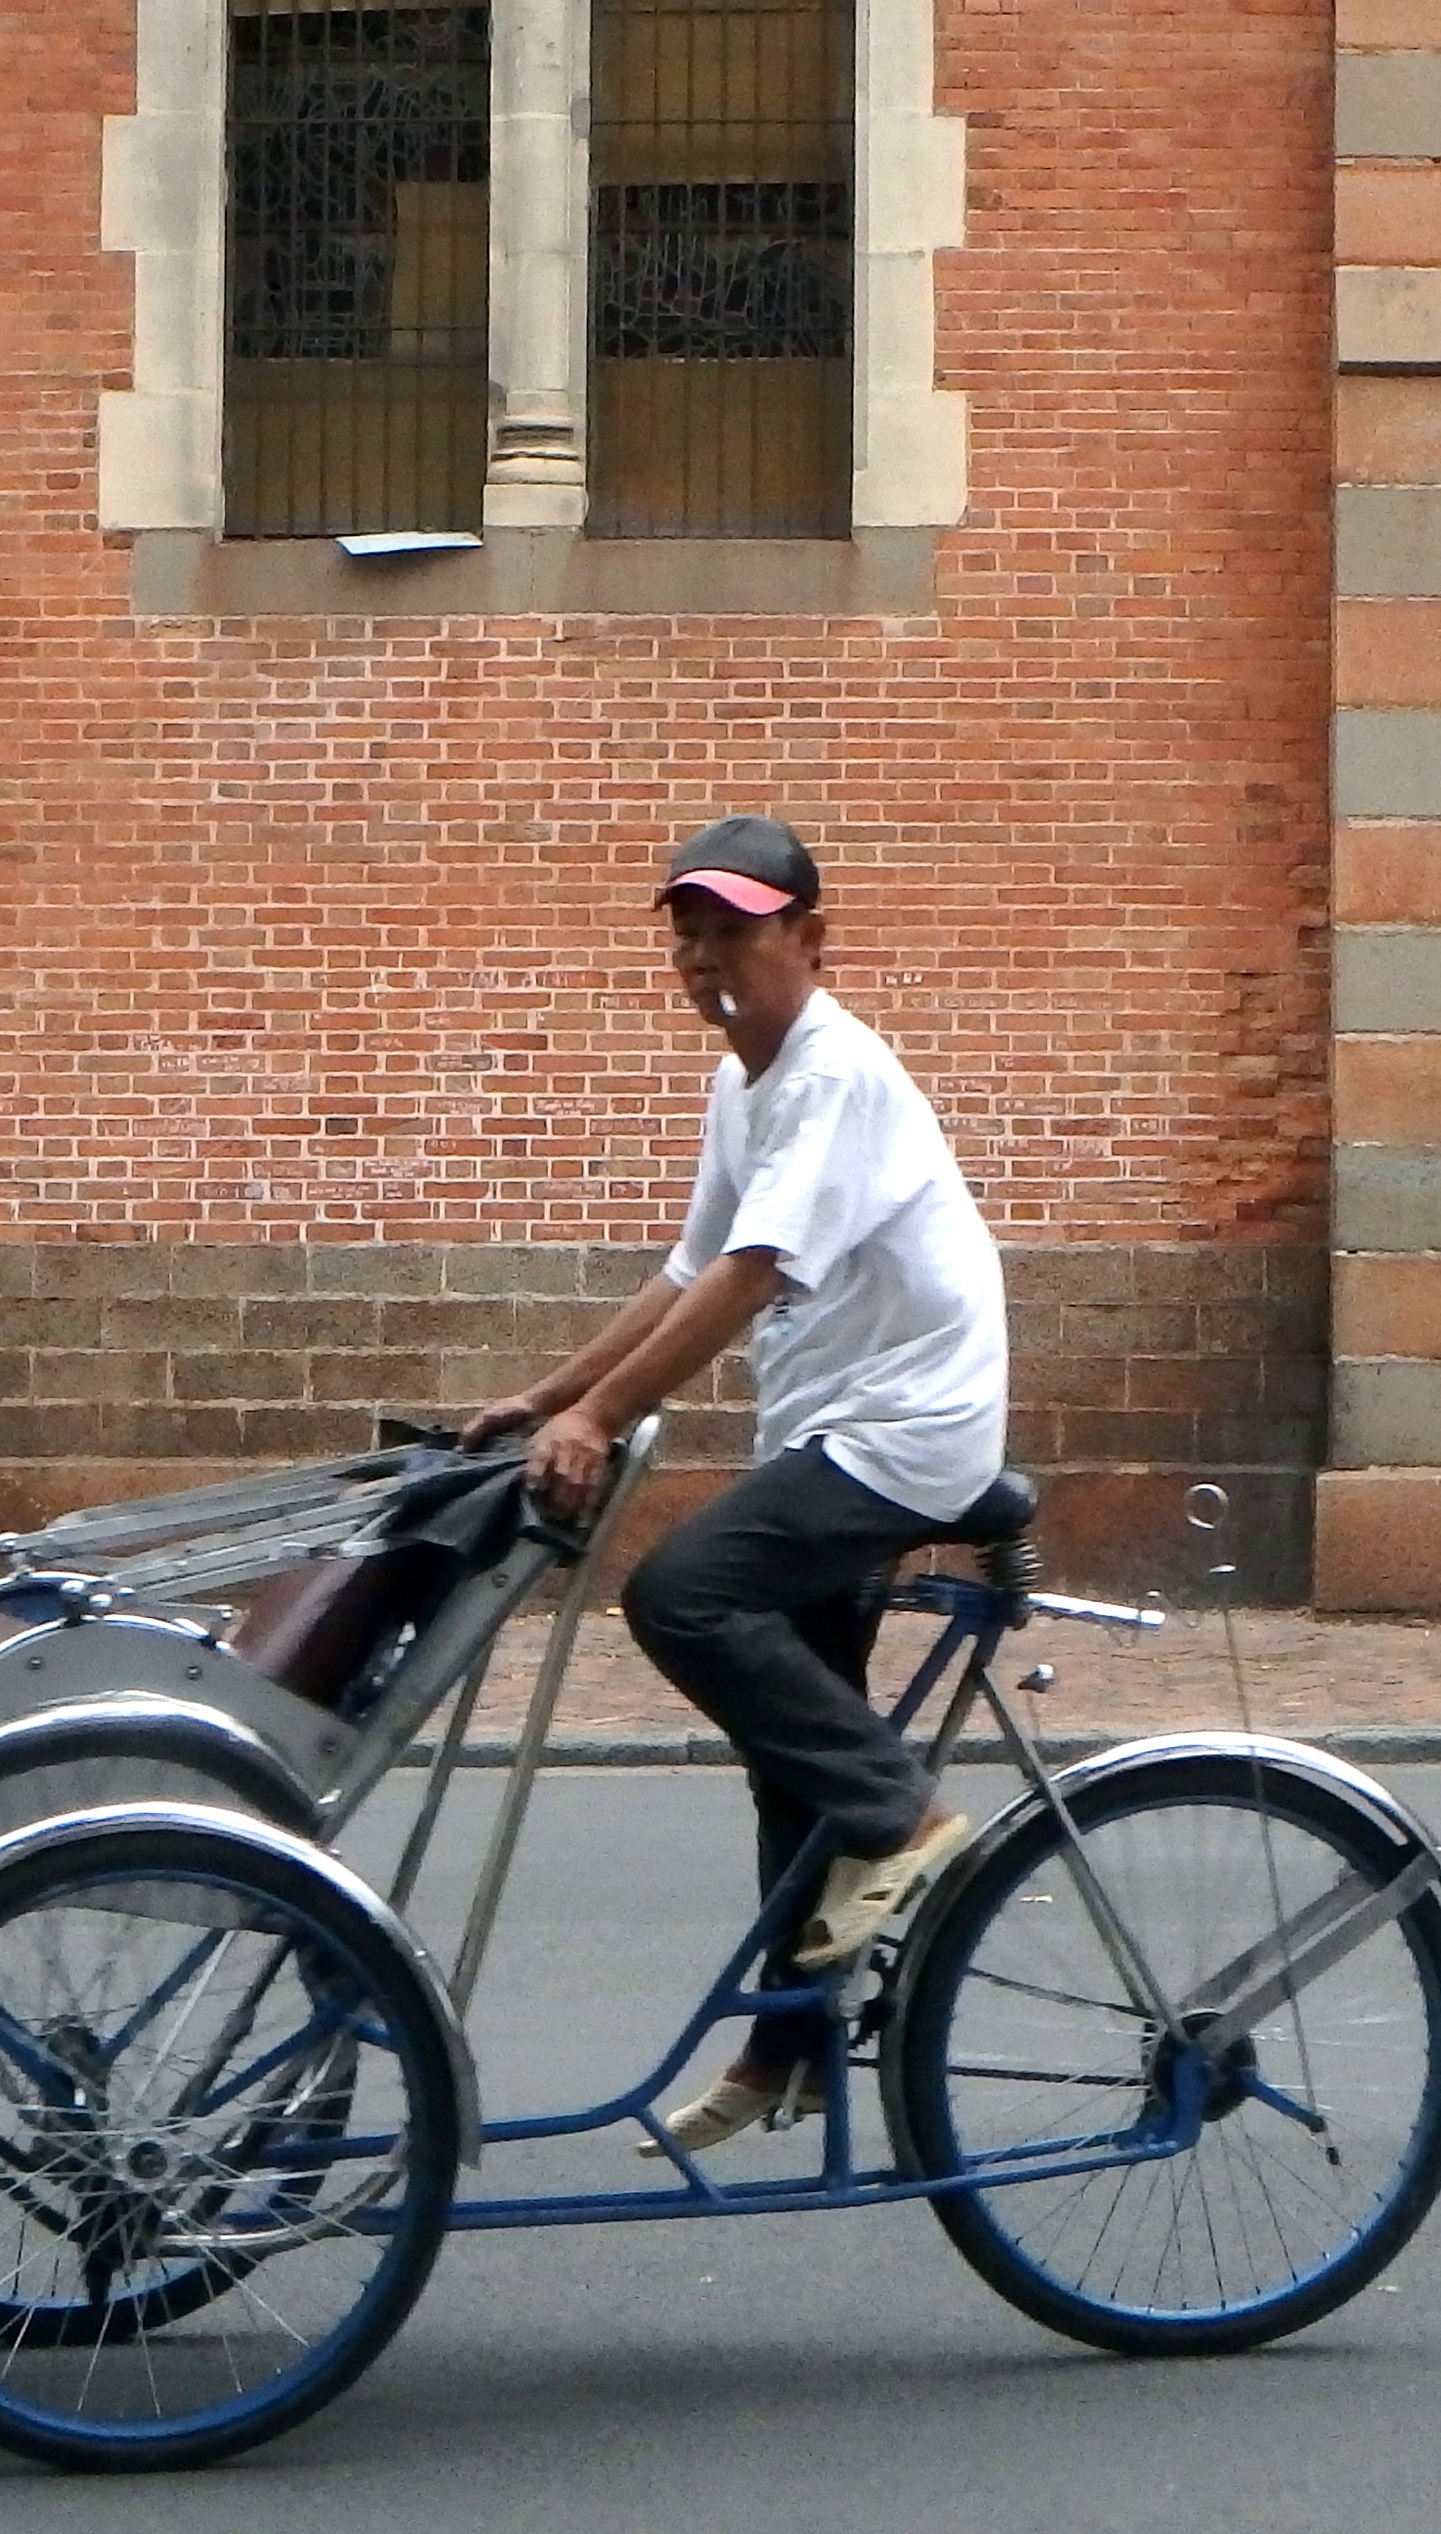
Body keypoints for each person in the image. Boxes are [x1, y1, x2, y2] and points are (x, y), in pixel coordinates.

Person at [461, 813, 1005, 2154]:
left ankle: (910, 1819)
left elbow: (753, 1275)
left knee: (685, 1594)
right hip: (827, 1433)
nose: (708, 957)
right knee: (784, 1763)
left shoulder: (834, 1071)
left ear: (809, 941)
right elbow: (686, 1270)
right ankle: (790, 2051)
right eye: (690, 932)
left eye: (737, 930)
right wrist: (549, 1395)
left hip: (905, 1433)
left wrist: (600, 1416)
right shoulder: (744, 1080)